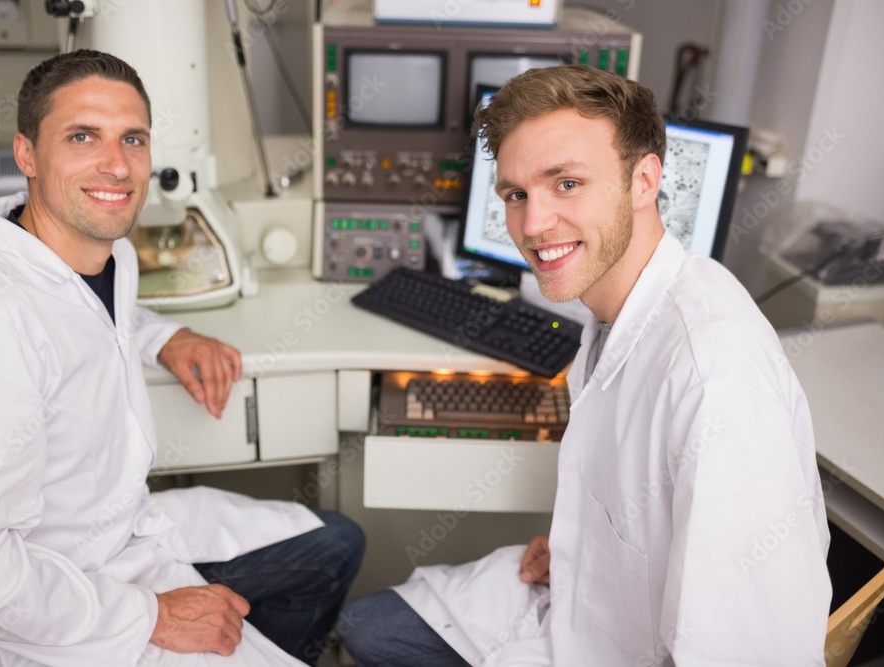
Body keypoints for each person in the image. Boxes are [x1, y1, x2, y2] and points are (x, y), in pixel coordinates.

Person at [339, 64, 831, 666]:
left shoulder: (716, 383)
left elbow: (752, 652)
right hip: (580, 606)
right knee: (363, 626)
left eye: (566, 183)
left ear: (644, 179)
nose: (533, 224)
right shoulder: (615, 309)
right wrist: (585, 549)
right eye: (517, 194)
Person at [0, 49, 364, 667]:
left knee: (335, 544)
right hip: (47, 618)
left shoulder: (101, 251)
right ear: (26, 154)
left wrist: (163, 336)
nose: (116, 165)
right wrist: (155, 615)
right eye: (83, 136)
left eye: (132, 139)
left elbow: (88, 313)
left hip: (120, 536)